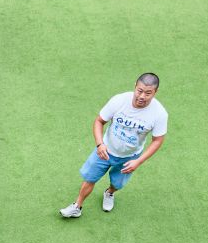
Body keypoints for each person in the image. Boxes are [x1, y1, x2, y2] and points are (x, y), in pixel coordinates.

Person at [60, 73, 168, 218]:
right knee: (90, 178)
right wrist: (100, 145)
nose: (142, 96)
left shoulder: (159, 113)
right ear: (135, 86)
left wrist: (138, 161)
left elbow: (158, 140)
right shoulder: (119, 100)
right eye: (140, 91)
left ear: (155, 92)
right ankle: (77, 206)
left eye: (148, 93)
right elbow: (99, 121)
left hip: (130, 157)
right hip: (105, 150)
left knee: (118, 183)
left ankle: (109, 192)